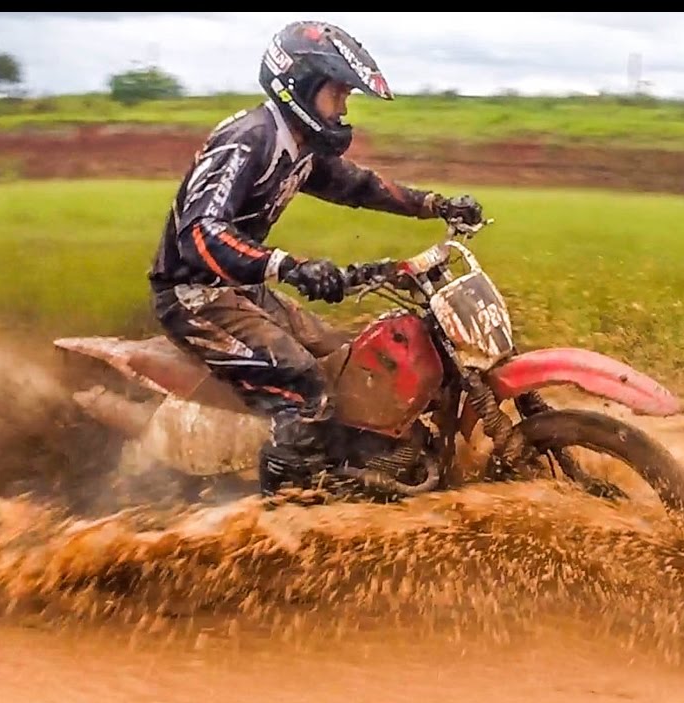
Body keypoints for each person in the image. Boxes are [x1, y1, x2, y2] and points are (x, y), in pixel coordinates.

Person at [148, 20, 484, 496]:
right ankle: (285, 512)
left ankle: (368, 469)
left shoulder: (299, 149)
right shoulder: (249, 141)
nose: (344, 107)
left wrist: (434, 204)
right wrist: (288, 265)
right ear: (300, 88)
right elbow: (200, 235)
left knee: (347, 368)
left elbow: (360, 186)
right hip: (193, 298)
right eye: (338, 94)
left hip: (242, 291)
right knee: (307, 386)